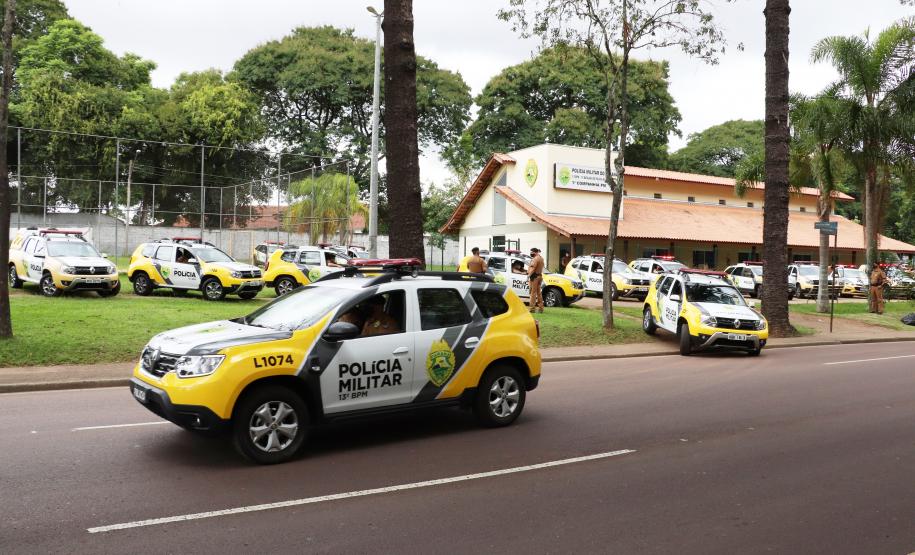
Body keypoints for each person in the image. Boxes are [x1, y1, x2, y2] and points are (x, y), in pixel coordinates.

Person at [528, 247, 545, 313]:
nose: (531, 253)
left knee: (533, 293)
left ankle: (532, 309)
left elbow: (533, 268)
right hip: (539, 276)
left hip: (534, 277)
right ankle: (541, 308)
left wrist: (528, 275)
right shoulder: (541, 258)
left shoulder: (535, 259)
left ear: (535, 252)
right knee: (539, 293)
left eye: (531, 252)